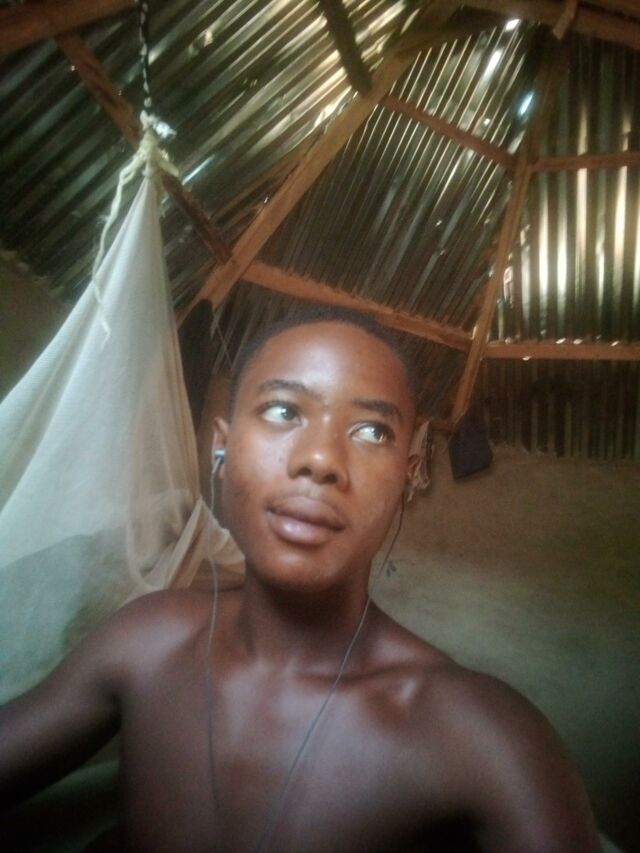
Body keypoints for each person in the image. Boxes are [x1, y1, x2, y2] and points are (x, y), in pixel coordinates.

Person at [0, 306, 599, 852]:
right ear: (222, 449)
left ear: (409, 473)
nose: (320, 459)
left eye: (371, 431)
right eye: (283, 411)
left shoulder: (481, 736)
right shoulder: (147, 641)